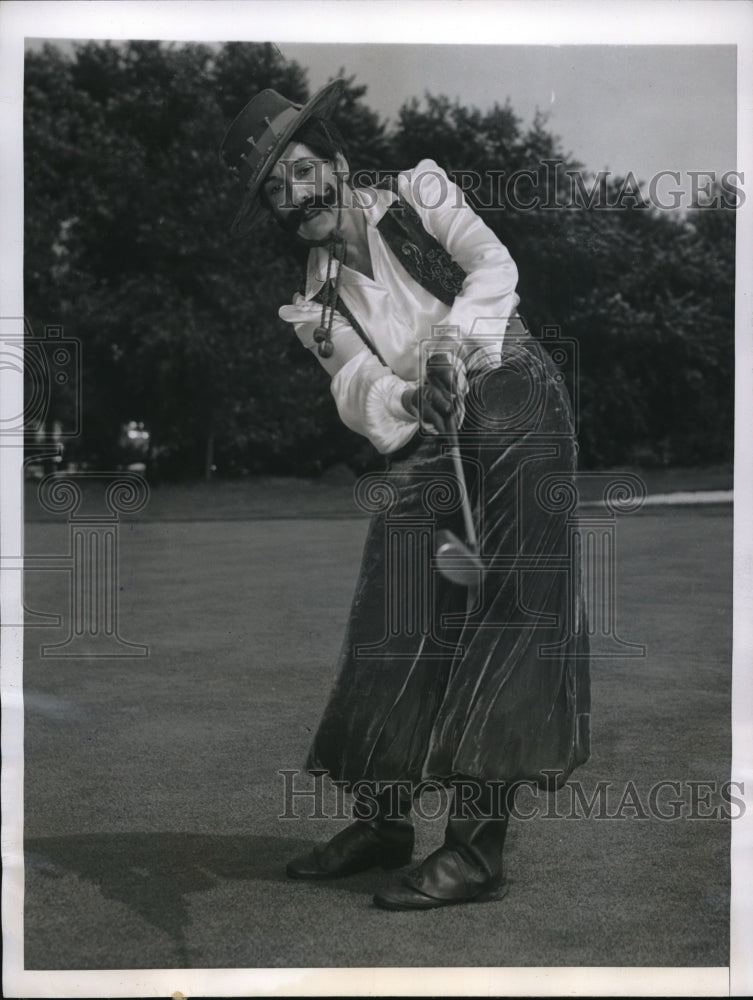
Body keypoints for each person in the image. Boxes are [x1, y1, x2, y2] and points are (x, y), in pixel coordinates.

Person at [220, 80, 590, 911]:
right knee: (399, 596)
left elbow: (494, 264)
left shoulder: (421, 192)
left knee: (506, 606)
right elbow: (356, 387)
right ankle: (384, 821)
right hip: (436, 423)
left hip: (515, 395)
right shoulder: (311, 305)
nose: (297, 197)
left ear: (339, 163)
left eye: (304, 170)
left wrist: (452, 349)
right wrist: (411, 398)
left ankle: (476, 851)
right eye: (276, 190)